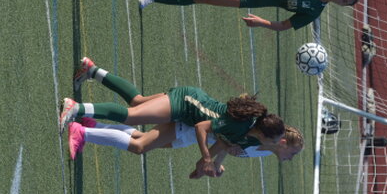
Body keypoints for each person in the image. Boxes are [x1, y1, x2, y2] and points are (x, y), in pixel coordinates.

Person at [59, 57, 286, 178]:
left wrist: (207, 166)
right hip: (187, 103)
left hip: (186, 118)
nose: (278, 144)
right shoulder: (242, 124)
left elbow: (223, 142)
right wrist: (207, 158)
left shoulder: (252, 139)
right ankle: (76, 108)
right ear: (265, 133)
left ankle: (91, 70)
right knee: (132, 117)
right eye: (277, 140)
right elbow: (202, 128)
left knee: (137, 103)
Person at [68, 117, 304, 178]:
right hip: (194, 130)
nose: (291, 158)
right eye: (293, 153)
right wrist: (208, 162)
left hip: (195, 137)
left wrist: (217, 164)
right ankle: (83, 132)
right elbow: (228, 140)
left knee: (142, 138)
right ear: (283, 143)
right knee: (140, 146)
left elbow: (228, 144)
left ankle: (93, 126)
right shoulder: (265, 140)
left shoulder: (265, 150)